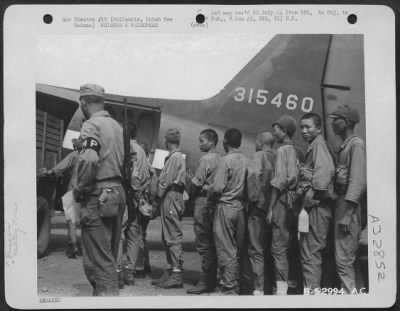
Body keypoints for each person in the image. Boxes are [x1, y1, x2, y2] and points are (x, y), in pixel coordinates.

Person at [73, 83, 126, 296]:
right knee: (109, 255)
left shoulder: (91, 125)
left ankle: (106, 300)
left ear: (83, 103)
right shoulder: (118, 127)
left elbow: (89, 158)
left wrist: (80, 188)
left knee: (99, 260)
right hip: (117, 191)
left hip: (99, 194)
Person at [330, 104, 366, 294]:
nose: (333, 123)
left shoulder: (355, 145)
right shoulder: (345, 146)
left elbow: (358, 182)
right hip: (342, 205)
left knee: (344, 259)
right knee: (345, 258)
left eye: (337, 119)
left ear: (348, 122)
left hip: (348, 208)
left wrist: (347, 214)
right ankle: (356, 295)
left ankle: (349, 299)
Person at [298, 113, 336, 293]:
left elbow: (324, 172)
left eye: (308, 127)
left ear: (319, 128)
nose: (304, 131)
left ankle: (312, 294)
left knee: (311, 252)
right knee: (311, 251)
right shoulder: (315, 144)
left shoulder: (318, 144)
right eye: (302, 127)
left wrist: (310, 196)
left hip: (317, 206)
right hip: (317, 206)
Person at [208, 128, 248, 295]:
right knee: (237, 249)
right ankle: (234, 282)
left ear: (225, 142)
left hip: (225, 207)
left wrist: (209, 199)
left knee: (226, 249)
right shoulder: (246, 160)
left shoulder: (225, 161)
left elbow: (217, 187)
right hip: (240, 209)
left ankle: (229, 288)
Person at [267, 115, 301, 295]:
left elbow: (279, 181)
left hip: (282, 201)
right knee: (293, 244)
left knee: (278, 247)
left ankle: (281, 289)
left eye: (277, 129)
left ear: (285, 131)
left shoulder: (281, 151)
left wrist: (271, 208)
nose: (274, 132)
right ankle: (293, 281)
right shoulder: (299, 151)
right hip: (296, 202)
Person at [186, 129, 221, 295]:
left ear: (211, 142)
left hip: (202, 201)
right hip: (214, 202)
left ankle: (205, 281)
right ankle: (211, 278)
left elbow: (196, 183)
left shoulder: (205, 159)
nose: (200, 144)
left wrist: (190, 197)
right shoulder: (219, 158)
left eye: (202, 141)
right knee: (211, 242)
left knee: (203, 242)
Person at [117, 123, 151, 287]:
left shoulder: (128, 148)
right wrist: (142, 197)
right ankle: (130, 272)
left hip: (129, 194)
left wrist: (136, 193)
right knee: (134, 235)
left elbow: (134, 175)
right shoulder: (143, 151)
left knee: (119, 234)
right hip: (139, 196)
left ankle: (117, 272)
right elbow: (149, 174)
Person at [152, 128, 186, 289]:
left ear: (168, 141)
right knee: (167, 235)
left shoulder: (174, 157)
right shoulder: (176, 157)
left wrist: (156, 198)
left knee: (172, 235)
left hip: (171, 196)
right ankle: (170, 269)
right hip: (171, 196)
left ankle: (177, 273)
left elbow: (165, 180)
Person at [38, 138, 83, 258]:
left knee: (71, 218)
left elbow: (60, 168)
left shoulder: (75, 155)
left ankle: (73, 244)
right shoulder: (94, 155)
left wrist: (49, 172)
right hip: (89, 190)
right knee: (86, 220)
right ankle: (85, 246)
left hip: (74, 189)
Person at [247, 131, 276, 295]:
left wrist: (252, 199)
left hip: (259, 208)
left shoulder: (258, 155)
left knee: (256, 249)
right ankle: (272, 286)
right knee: (274, 250)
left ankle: (258, 288)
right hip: (275, 209)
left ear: (259, 142)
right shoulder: (278, 156)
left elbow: (253, 175)